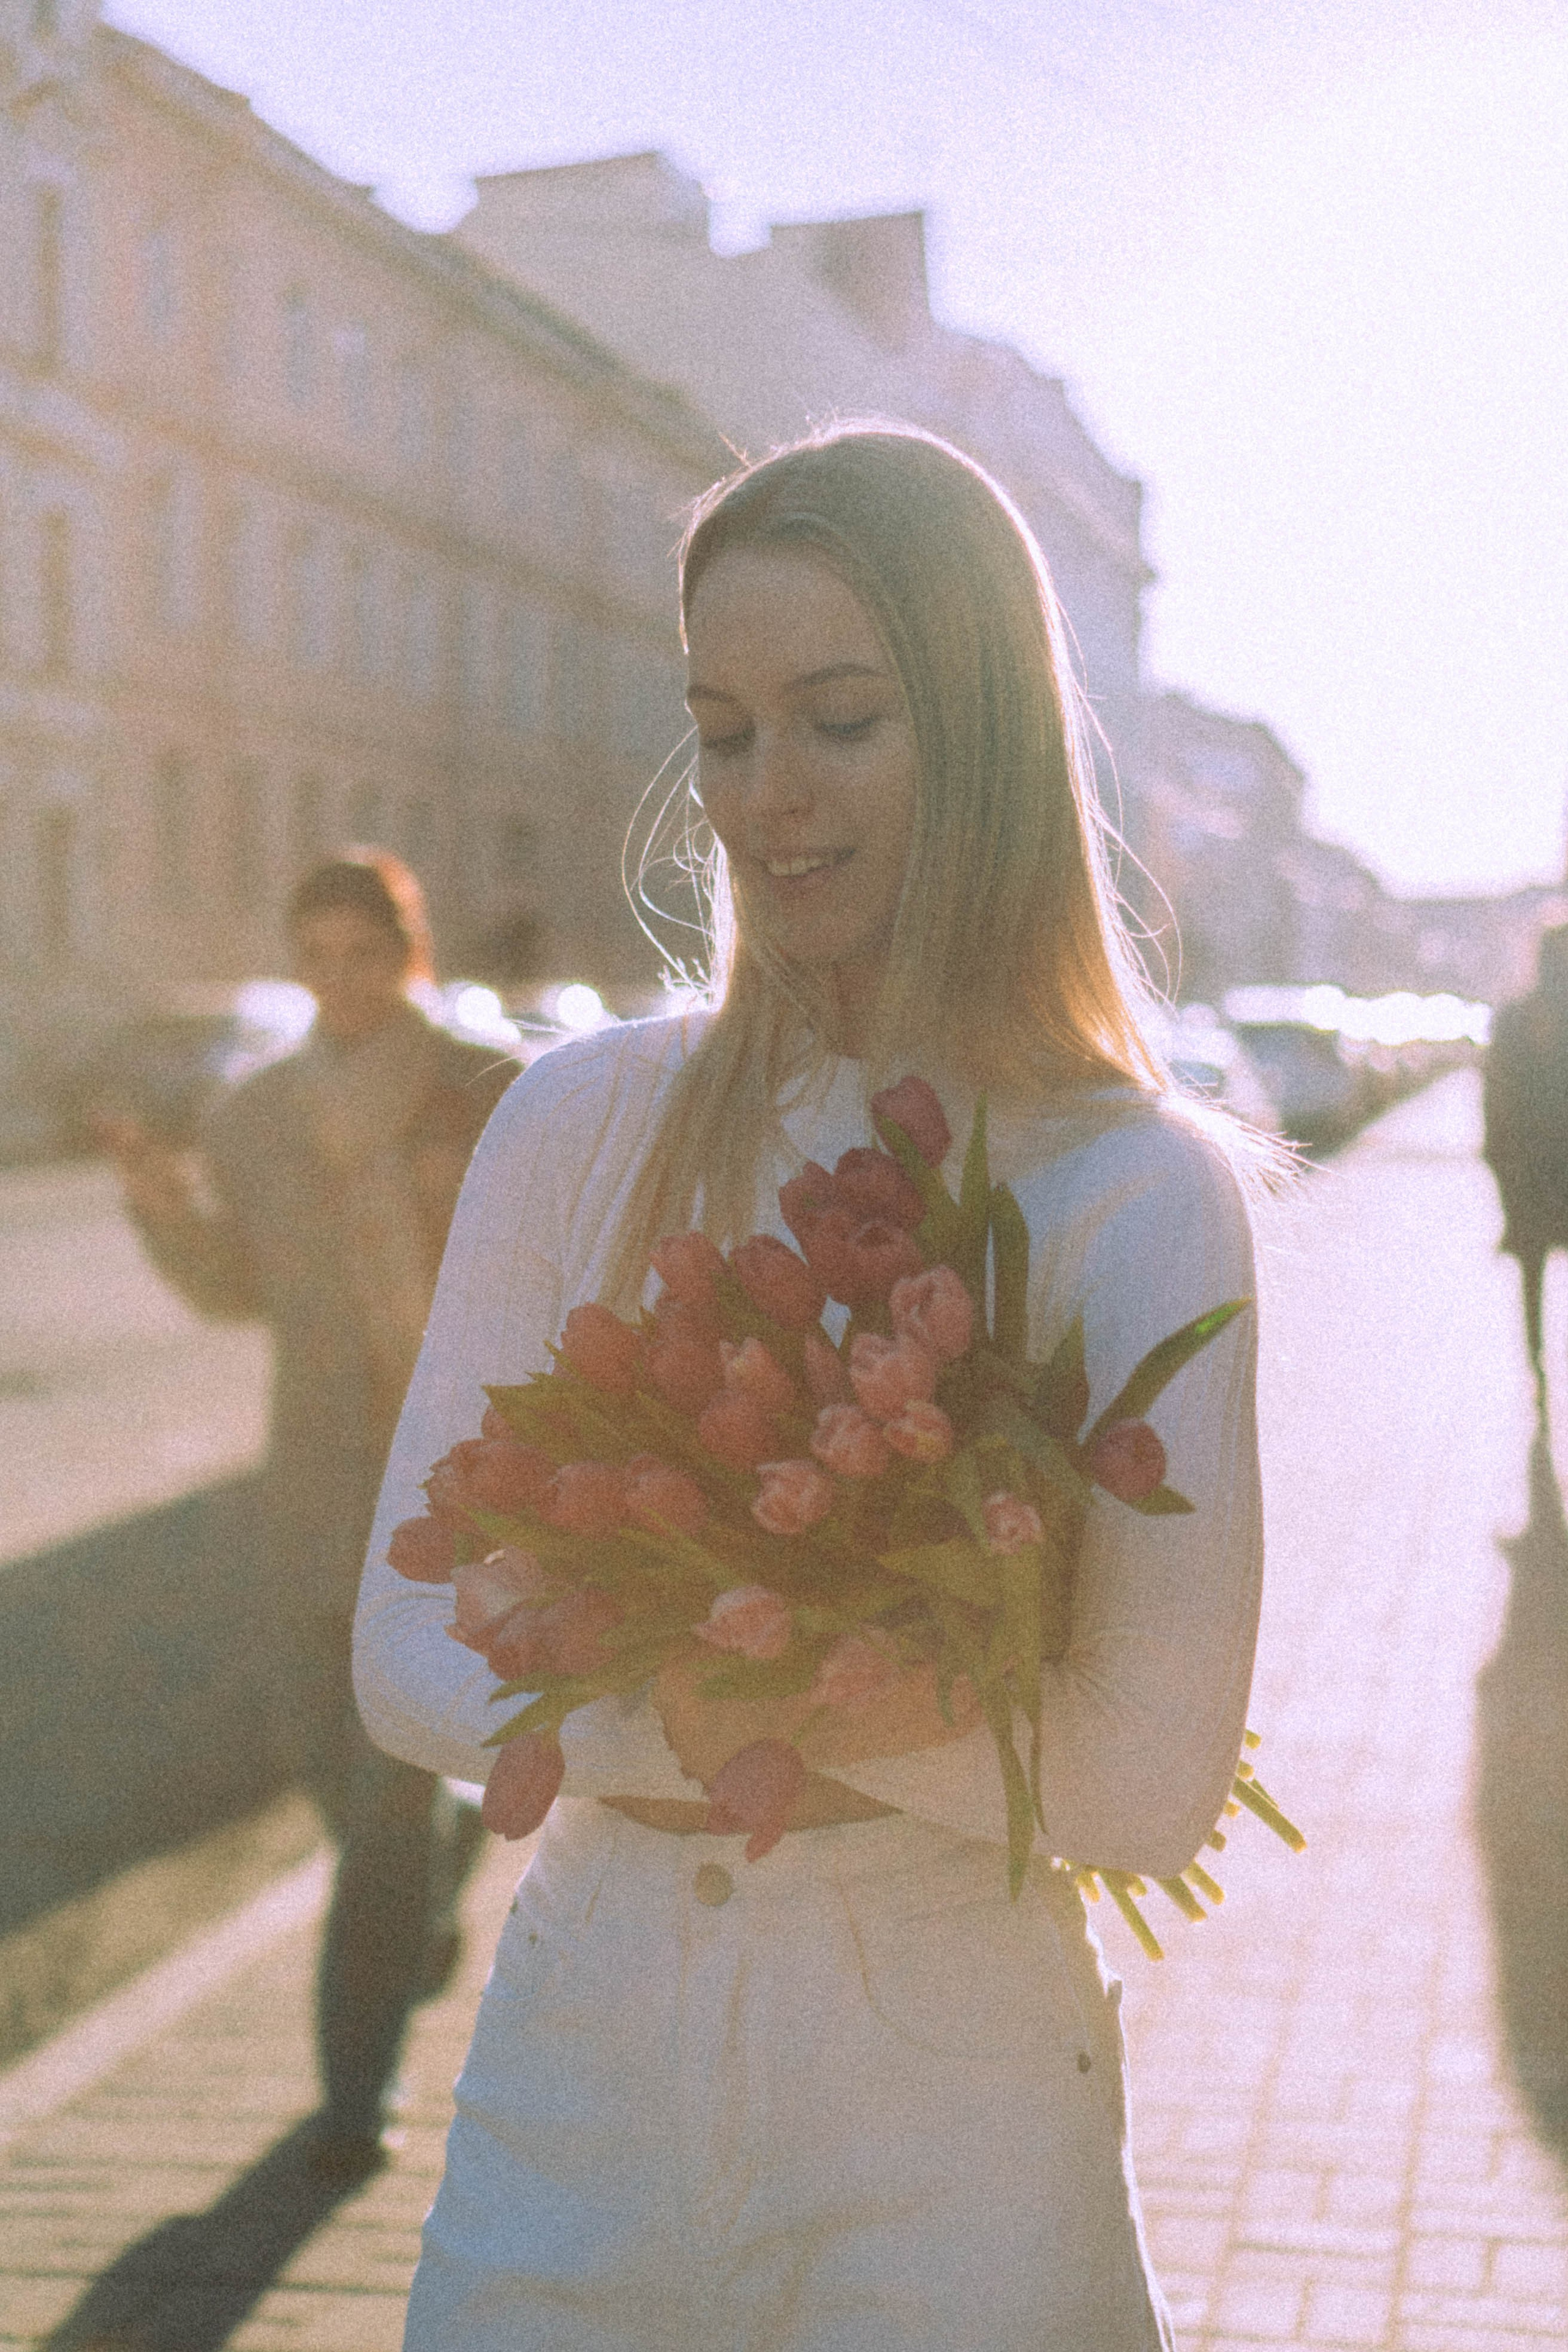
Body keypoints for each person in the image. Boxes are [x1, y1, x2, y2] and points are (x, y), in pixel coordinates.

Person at [355, 428, 1264, 2348]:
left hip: (946, 2071)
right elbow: (397, 1654)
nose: (771, 794)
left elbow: (1139, 1782)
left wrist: (682, 1670)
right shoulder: (575, 1115)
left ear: (988, 729)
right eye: (728, 727)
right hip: (584, 2033)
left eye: (841, 718)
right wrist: (787, 1687)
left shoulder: (1132, 1185)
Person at [109, 850, 521, 2179]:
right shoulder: (255, 1115)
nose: (340, 980)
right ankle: (441, 1858)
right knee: (318, 1756)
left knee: (387, 1801)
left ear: (407, 953)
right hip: (312, 1486)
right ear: (297, 962)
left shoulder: (485, 1087)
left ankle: (353, 2096)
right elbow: (242, 1289)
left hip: (450, 1485)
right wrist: (164, 1218)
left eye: (364, 953)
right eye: (317, 955)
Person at [1483, 923, 1568, 1402]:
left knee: (1530, 1276)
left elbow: (1496, 1100)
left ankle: (1537, 1368)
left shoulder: (1515, 1017)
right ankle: (1539, 1369)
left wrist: (1499, 1163)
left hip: (1530, 1172)